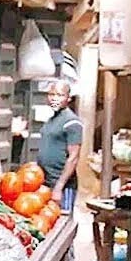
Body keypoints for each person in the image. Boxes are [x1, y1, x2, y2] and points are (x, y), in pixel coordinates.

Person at [38, 79, 82, 212]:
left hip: (62, 185)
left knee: (62, 225)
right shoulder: (52, 120)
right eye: (52, 94)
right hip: (46, 182)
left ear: (68, 98)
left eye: (59, 95)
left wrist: (59, 187)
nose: (54, 99)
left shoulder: (72, 122)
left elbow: (73, 157)